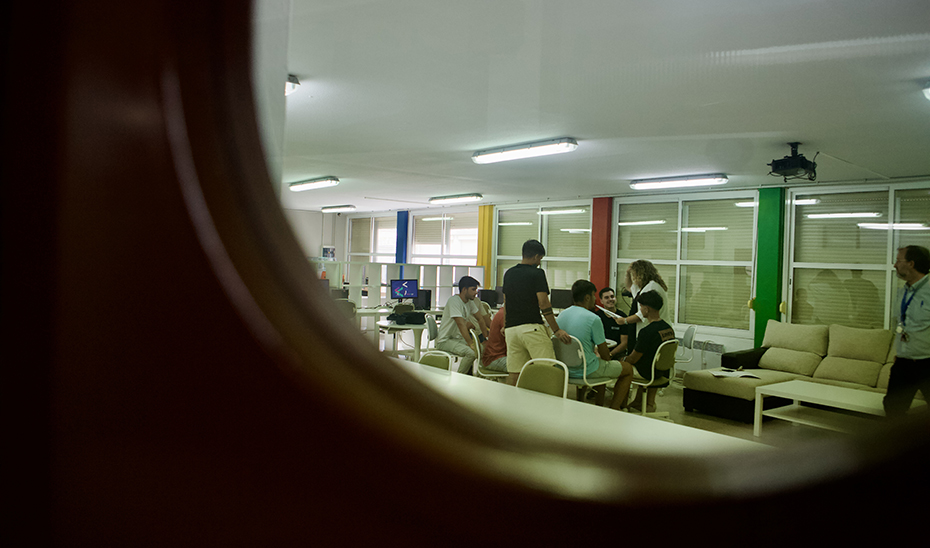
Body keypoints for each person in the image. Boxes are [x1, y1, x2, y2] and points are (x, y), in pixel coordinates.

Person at [502, 240, 572, 386]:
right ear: (535, 256)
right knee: (547, 369)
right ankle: (546, 406)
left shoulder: (509, 273)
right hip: (530, 328)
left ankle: (509, 406)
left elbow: (506, 303)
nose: (539, 262)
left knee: (515, 372)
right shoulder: (537, 273)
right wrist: (556, 330)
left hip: (511, 330)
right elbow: (543, 303)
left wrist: (505, 324)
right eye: (540, 259)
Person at [557, 280, 634, 410]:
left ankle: (581, 401)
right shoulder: (593, 318)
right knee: (627, 369)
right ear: (587, 297)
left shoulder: (561, 315)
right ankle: (614, 409)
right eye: (594, 295)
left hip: (565, 369)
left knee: (598, 363)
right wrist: (608, 359)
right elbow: (604, 354)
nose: (594, 299)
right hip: (587, 370)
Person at [883, 245, 930, 418]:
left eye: (898, 260)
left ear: (911, 263)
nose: (894, 265)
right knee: (892, 408)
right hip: (904, 363)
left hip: (927, 363)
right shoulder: (902, 292)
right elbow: (903, 323)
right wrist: (901, 350)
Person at [622, 290, 676, 413]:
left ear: (646, 309)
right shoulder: (668, 328)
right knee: (646, 362)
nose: (640, 310)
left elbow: (633, 359)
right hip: (663, 372)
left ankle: (621, 406)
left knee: (623, 368)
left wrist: (622, 360)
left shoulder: (646, 332)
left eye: (640, 307)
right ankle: (644, 402)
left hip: (648, 373)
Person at [435, 276, 488, 374]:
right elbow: (461, 324)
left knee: (482, 348)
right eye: (473, 289)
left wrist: (485, 338)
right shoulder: (454, 301)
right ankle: (461, 377)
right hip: (445, 341)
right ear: (464, 289)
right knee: (471, 353)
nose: (476, 292)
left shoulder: (470, 302)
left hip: (457, 339)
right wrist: (470, 343)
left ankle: (480, 375)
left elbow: (480, 319)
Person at [618, 260, 671, 334]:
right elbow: (630, 287)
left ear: (639, 275)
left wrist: (624, 320)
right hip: (657, 328)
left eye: (633, 275)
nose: (633, 278)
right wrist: (627, 273)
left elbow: (642, 314)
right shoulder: (649, 286)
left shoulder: (651, 288)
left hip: (653, 331)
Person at [595, 286, 632, 360]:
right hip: (599, 352)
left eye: (612, 296)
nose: (610, 299)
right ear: (601, 301)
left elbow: (624, 343)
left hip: (617, 353)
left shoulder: (623, 317)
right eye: (606, 297)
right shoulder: (596, 316)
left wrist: (610, 354)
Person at [481, 305, 508, 373]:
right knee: (523, 368)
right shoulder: (504, 316)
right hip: (495, 358)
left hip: (495, 356)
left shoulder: (503, 312)